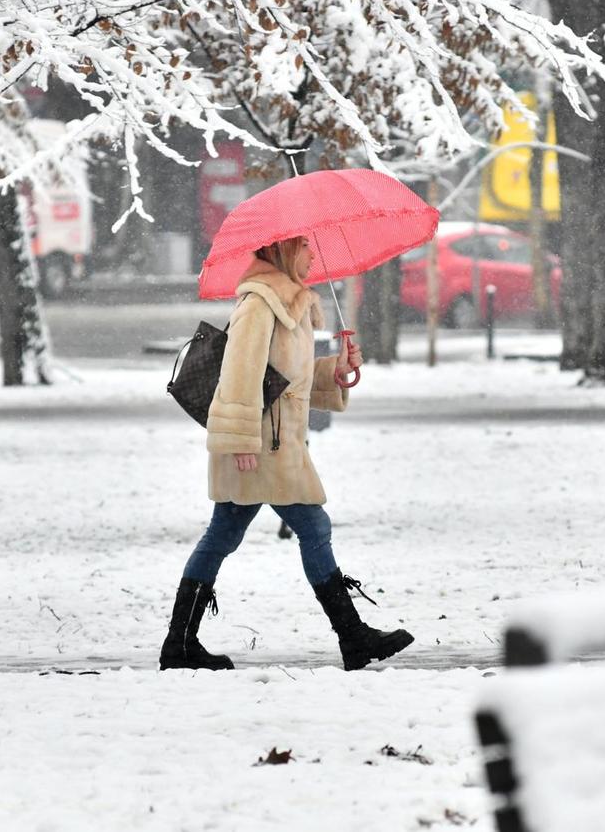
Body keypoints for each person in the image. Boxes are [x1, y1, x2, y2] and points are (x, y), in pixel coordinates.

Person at [159, 236, 414, 671]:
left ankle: (180, 644)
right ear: (283, 250)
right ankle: (352, 636)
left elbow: (285, 378)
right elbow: (239, 375)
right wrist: (240, 443)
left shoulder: (285, 304)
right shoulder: (260, 304)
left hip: (274, 444)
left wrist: (335, 369)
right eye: (305, 247)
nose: (313, 255)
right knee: (312, 525)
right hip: (259, 445)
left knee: (223, 534)